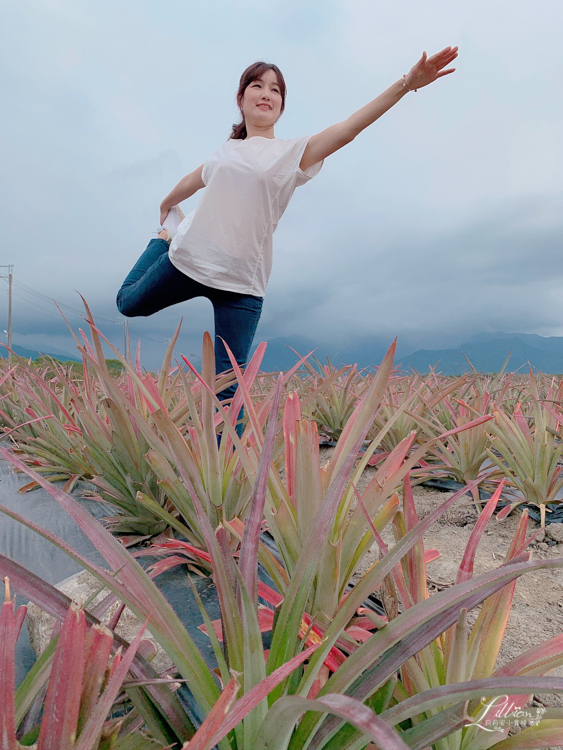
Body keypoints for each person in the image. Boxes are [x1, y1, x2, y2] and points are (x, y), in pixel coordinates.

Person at [116, 48, 458, 433]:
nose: (266, 93)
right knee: (128, 303)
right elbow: (197, 177)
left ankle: (229, 486)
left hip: (242, 285)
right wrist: (168, 203)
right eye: (257, 85)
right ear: (241, 98)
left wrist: (406, 85)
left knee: (228, 391)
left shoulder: (289, 153)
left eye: (275, 89)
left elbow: (348, 129)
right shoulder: (227, 151)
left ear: (281, 105)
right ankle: (160, 242)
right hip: (188, 260)